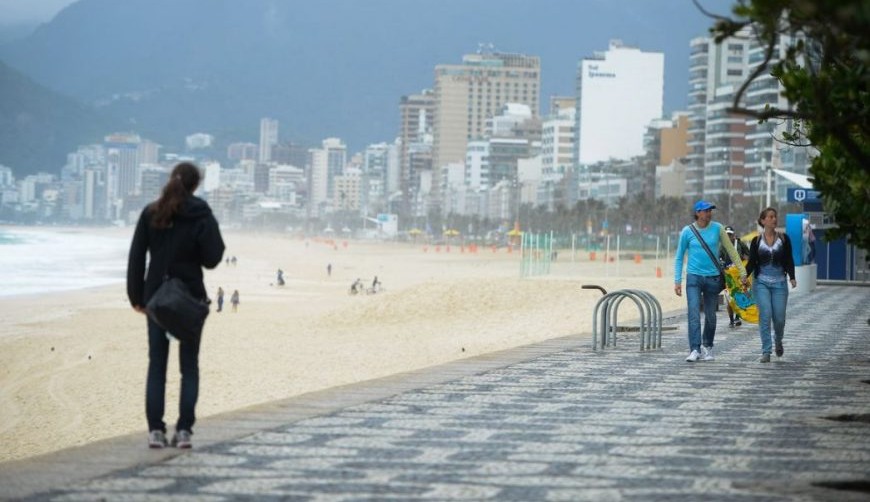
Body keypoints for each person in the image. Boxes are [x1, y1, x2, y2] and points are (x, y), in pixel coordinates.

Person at [126, 162, 225, 449]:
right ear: (195, 185)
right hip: (190, 297)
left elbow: (136, 258)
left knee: (157, 365)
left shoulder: (151, 212)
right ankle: (184, 432)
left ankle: (156, 431)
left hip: (156, 298)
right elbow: (212, 258)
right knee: (189, 367)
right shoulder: (201, 213)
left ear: (172, 179)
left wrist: (137, 298)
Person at [674, 200, 747, 362]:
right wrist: (677, 280)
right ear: (698, 213)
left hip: (713, 278)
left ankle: (707, 347)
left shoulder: (718, 229)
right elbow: (679, 256)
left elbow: (731, 251)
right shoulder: (687, 231)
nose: (709, 213)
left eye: (710, 210)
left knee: (710, 316)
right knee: (693, 313)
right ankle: (694, 349)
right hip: (693, 277)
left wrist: (743, 272)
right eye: (706, 210)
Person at [744, 207, 797, 363]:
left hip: (780, 283)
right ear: (763, 220)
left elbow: (789, 259)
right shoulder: (756, 241)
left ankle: (778, 340)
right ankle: (766, 350)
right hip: (761, 283)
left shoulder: (784, 239)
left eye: (775, 217)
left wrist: (792, 277)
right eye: (771, 217)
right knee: (765, 315)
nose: (774, 219)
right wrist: (744, 276)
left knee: (779, 318)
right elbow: (752, 262)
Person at [720, 225, 750, 328]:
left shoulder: (740, 244)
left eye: (730, 235)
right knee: (729, 299)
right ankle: (731, 320)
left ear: (734, 235)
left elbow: (749, 255)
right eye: (726, 235)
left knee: (739, 297)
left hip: (738, 275)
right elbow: (718, 257)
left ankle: (737, 318)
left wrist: (744, 259)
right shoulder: (722, 246)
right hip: (728, 275)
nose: (728, 237)